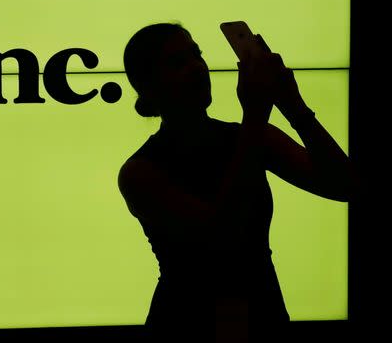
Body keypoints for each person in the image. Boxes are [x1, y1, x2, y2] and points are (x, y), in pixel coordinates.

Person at [117, 22, 357, 342]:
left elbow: (347, 187)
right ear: (148, 86)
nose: (197, 68)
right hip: (193, 327)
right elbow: (222, 236)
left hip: (245, 318)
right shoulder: (139, 173)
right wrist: (258, 114)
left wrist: (293, 106)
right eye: (178, 63)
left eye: (196, 55)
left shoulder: (248, 137)